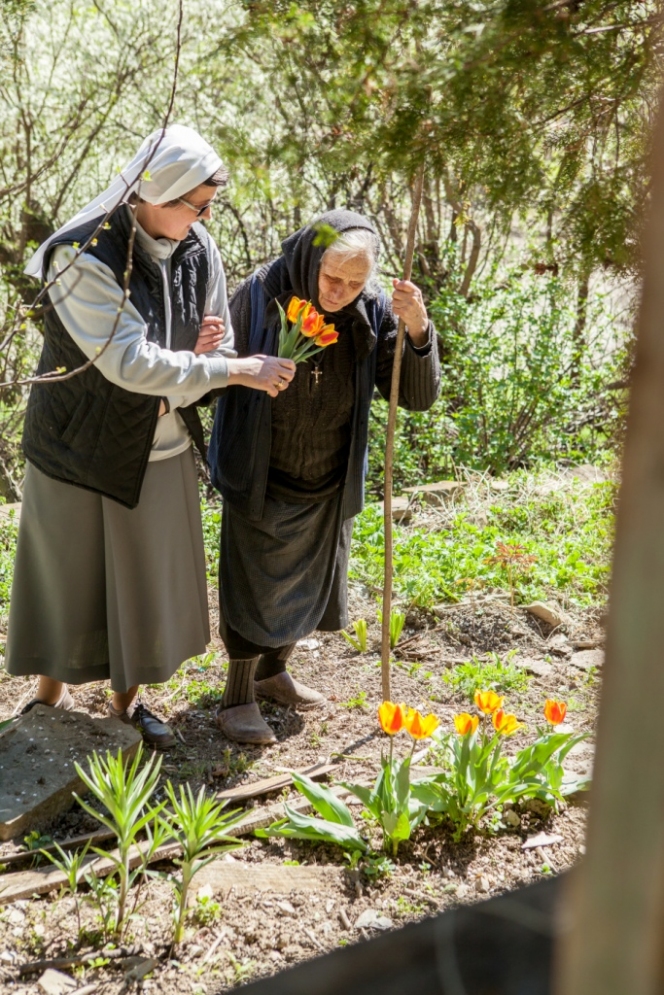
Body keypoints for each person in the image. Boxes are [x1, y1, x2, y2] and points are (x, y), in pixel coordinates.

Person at [6, 125, 295, 747]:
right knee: (70, 576)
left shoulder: (199, 245)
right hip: (77, 444)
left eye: (209, 206)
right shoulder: (82, 255)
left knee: (138, 581)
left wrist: (193, 368)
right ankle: (46, 699)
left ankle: (124, 708)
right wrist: (221, 370)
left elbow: (213, 337)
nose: (204, 217)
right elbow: (129, 364)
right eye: (196, 204)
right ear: (154, 192)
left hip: (159, 445)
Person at [208, 210, 441, 745]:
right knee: (251, 586)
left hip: (329, 477)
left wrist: (417, 328)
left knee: (311, 586)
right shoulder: (262, 293)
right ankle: (237, 698)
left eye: (355, 282)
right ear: (311, 260)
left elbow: (416, 396)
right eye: (332, 278)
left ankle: (273, 674)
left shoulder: (374, 308)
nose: (341, 292)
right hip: (261, 472)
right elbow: (214, 375)